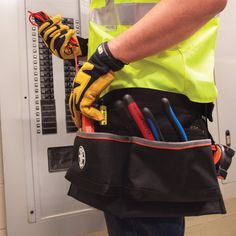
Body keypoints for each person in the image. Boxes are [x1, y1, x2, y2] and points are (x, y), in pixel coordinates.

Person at [38, 0, 228, 235]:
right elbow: (130, 27)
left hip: (152, 111)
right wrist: (85, 47)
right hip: (125, 114)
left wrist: (104, 58)